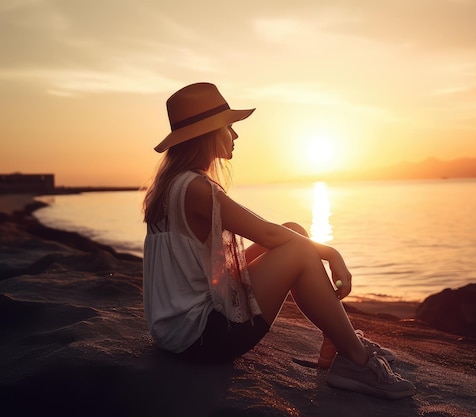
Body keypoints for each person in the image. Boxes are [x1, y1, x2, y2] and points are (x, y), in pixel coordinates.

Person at [142, 82, 415, 400]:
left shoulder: (173, 185)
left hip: (179, 331)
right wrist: (331, 252)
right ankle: (357, 360)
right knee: (298, 248)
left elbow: (272, 234)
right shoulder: (196, 188)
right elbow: (267, 234)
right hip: (202, 338)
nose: (236, 135)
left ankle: (337, 340)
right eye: (229, 126)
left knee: (294, 230)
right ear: (210, 133)